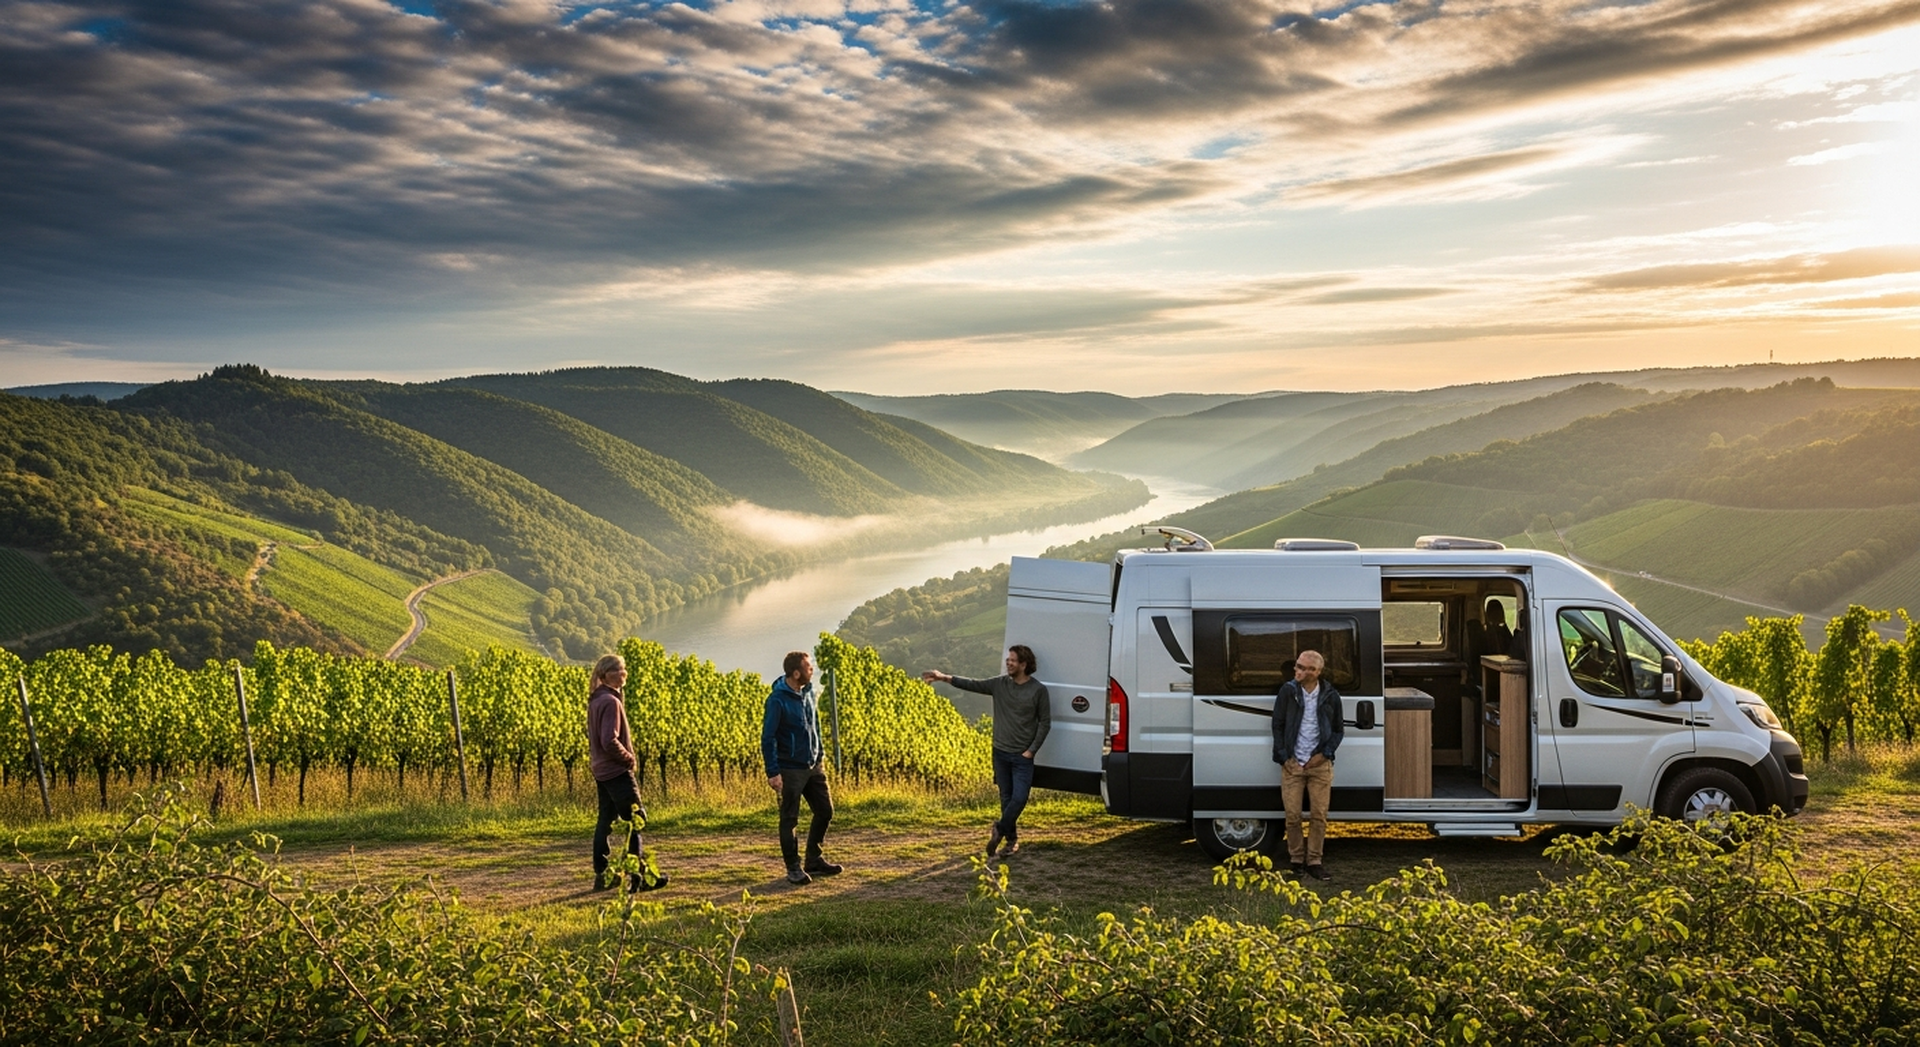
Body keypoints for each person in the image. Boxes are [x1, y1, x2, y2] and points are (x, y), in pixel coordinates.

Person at [923, 644, 1050, 858]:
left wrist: (1031, 751)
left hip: (1022, 756)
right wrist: (943, 677)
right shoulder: (999, 684)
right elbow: (972, 684)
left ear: (1024, 664)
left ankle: (999, 829)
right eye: (1008, 659)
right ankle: (1010, 842)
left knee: (1019, 798)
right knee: (1006, 798)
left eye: (1012, 660)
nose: (1008, 663)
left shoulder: (1038, 691)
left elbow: (1045, 723)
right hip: (1000, 752)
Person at [588, 654, 667, 892]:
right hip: (616, 772)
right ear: (611, 674)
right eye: (622, 670)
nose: (626, 674)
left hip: (601, 770)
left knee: (605, 821)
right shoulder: (611, 702)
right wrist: (629, 758)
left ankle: (602, 876)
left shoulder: (597, 699)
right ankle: (639, 879)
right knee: (636, 821)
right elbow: (608, 739)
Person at [763, 650, 841, 885]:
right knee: (790, 819)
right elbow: (768, 737)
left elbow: (814, 724)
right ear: (796, 673)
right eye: (808, 667)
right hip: (789, 768)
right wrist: (773, 772)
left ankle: (814, 859)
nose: (812, 670)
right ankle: (793, 868)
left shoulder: (807, 692)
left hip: (813, 765)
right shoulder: (777, 700)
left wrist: (820, 755)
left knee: (825, 811)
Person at [1270, 649, 1343, 881]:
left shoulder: (1330, 695)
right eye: (1298, 666)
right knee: (1292, 816)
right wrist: (1284, 758)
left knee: (1319, 815)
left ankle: (1314, 861)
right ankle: (1295, 860)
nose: (1298, 670)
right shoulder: (1288, 691)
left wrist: (1325, 754)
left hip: (1319, 765)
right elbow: (1277, 725)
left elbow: (1339, 730)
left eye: (1304, 668)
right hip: (1293, 764)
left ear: (1317, 672)